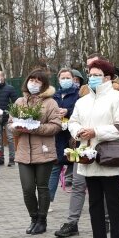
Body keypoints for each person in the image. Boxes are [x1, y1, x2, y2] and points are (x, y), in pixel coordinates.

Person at [68, 58, 119, 238]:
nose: (92, 78)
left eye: (97, 75)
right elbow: (73, 121)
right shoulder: (83, 100)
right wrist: (79, 132)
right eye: (91, 74)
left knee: (113, 201)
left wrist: (95, 131)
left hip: (109, 156)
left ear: (107, 77)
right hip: (87, 156)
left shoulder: (117, 98)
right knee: (94, 201)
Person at [11, 69, 62, 235]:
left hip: (44, 152)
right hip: (24, 152)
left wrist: (35, 128)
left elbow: (56, 126)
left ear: (44, 84)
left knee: (42, 187)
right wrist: (16, 127)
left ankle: (42, 220)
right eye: (31, 80)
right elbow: (11, 126)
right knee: (27, 188)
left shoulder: (50, 103)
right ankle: (33, 218)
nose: (33, 83)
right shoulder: (19, 102)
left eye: (38, 81)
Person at [48, 68, 82, 204]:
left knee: (77, 170)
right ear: (58, 79)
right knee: (55, 168)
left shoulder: (78, 96)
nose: (65, 80)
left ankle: (78, 201)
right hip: (57, 137)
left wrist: (67, 111)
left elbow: (80, 111)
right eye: (63, 78)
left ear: (73, 79)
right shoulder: (54, 96)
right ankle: (48, 201)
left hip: (73, 138)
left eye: (68, 77)